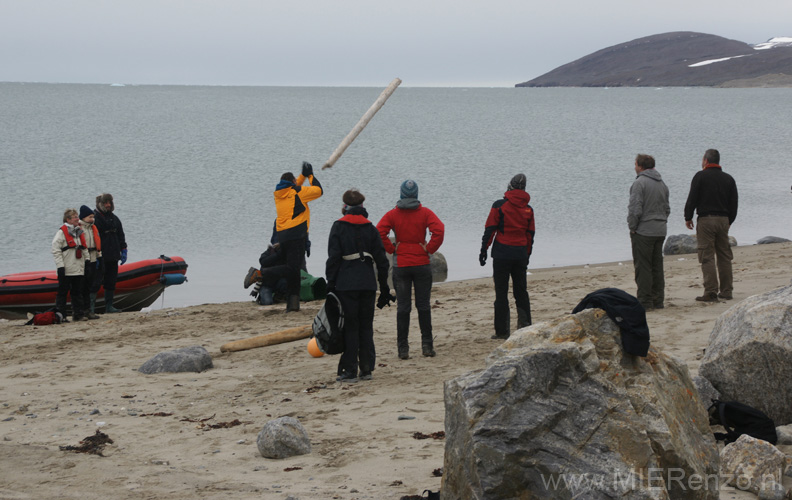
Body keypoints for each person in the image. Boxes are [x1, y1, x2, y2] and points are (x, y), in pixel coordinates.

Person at [326, 189, 392, 382]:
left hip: (346, 285)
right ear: (362, 207)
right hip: (368, 284)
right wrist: (384, 288)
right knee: (366, 326)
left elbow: (333, 259)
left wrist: (330, 284)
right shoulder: (371, 228)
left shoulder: (338, 227)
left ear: (345, 207)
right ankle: (367, 368)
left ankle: (349, 370)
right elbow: (382, 261)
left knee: (350, 327)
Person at [377, 180, 444, 359]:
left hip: (402, 266)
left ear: (401, 194)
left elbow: (379, 232)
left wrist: (392, 249)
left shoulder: (393, 214)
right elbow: (439, 230)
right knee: (423, 306)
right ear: (416, 194)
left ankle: (403, 349)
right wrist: (429, 248)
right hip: (421, 264)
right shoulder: (425, 212)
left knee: (403, 308)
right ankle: (427, 346)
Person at [479, 174, 535, 340]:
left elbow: (490, 229)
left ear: (510, 186)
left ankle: (502, 331)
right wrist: (527, 254)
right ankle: (525, 326)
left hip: (502, 254)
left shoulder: (499, 206)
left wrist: (483, 250)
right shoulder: (529, 209)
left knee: (501, 292)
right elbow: (530, 234)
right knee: (521, 291)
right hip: (520, 254)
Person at [684, 149, 738, 302]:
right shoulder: (728, 179)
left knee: (706, 256)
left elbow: (692, 198)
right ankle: (727, 291)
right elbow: (734, 203)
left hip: (706, 220)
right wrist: (729, 221)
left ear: (706, 161)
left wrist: (688, 216)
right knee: (724, 256)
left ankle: (711, 291)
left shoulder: (700, 176)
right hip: (723, 220)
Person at [274, 162, 323, 312]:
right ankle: (261, 274)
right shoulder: (298, 193)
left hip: (283, 235)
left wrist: (301, 176)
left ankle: (292, 304)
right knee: (294, 269)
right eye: (296, 180)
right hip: (297, 234)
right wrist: (310, 175)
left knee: (291, 268)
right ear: (293, 183)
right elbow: (318, 191)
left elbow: (295, 188)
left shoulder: (279, 194)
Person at [627, 154, 670, 311]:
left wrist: (632, 227)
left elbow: (635, 209)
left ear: (640, 166)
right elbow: (667, 208)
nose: (634, 167)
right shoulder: (662, 184)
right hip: (660, 229)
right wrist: (662, 221)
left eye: (635, 164)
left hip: (644, 230)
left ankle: (645, 301)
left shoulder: (639, 183)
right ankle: (658, 299)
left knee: (643, 266)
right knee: (657, 266)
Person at [51, 209, 87, 321]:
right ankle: (61, 316)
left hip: (78, 267)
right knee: (62, 293)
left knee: (77, 292)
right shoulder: (61, 233)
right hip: (66, 268)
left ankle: (78, 314)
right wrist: (60, 266)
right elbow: (56, 250)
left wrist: (88, 260)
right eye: (75, 217)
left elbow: (83, 248)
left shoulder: (79, 232)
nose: (78, 219)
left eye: (77, 216)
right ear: (68, 220)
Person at [93, 193, 127, 313]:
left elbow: (121, 235)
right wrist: (95, 255)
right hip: (100, 255)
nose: (108, 205)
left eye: (109, 203)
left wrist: (124, 249)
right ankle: (91, 308)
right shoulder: (95, 218)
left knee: (111, 281)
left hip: (113, 255)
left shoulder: (115, 218)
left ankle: (109, 306)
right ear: (100, 204)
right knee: (95, 282)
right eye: (105, 203)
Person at [78, 205, 103, 319]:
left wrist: (99, 257)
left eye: (93, 217)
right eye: (89, 217)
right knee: (82, 286)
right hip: (83, 260)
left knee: (90, 285)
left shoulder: (93, 228)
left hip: (93, 258)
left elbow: (97, 244)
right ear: (83, 217)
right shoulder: (79, 229)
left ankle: (89, 311)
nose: (92, 219)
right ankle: (81, 311)